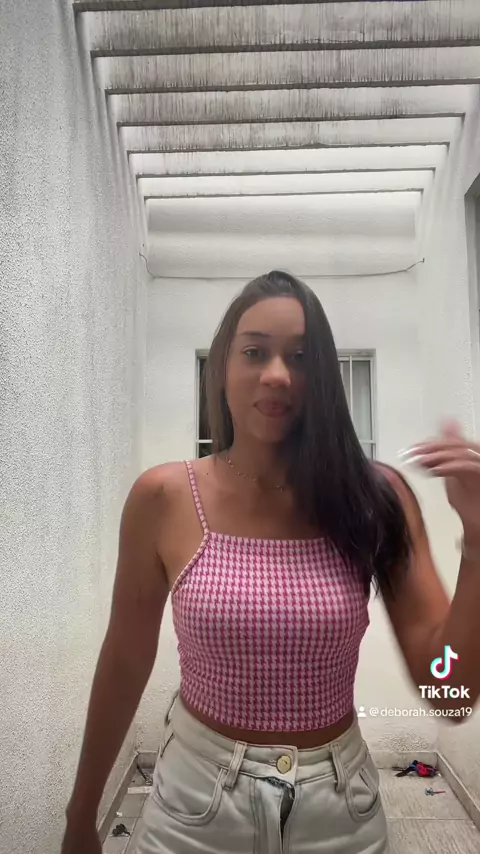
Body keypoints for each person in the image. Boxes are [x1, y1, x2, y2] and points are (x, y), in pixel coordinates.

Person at [62, 271, 480, 854]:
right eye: (255, 352)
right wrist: (81, 811)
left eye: (301, 357)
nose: (278, 374)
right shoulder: (164, 498)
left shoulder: (374, 498)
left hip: (339, 815)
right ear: (221, 368)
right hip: (193, 809)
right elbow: (125, 659)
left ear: (324, 376)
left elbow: (449, 689)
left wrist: (477, 543)